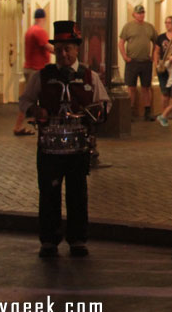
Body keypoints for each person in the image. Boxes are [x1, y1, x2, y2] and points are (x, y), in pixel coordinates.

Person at [18, 21, 110, 258]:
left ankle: (78, 239)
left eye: (68, 48)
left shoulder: (90, 77)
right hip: (49, 148)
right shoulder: (43, 76)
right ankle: (48, 240)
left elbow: (104, 103)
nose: (64, 54)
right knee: (49, 194)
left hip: (78, 147)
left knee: (78, 193)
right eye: (59, 49)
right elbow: (25, 100)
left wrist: (97, 114)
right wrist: (35, 112)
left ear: (77, 49)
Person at [13, 8, 54, 136]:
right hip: (36, 68)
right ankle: (18, 126)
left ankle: (34, 122)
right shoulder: (39, 32)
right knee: (30, 98)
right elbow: (48, 47)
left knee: (31, 97)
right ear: (43, 19)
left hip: (29, 66)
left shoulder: (29, 31)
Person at [118, 5, 157, 122]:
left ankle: (147, 112)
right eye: (139, 13)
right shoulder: (128, 27)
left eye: (143, 13)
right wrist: (125, 56)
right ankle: (130, 112)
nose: (141, 15)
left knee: (146, 87)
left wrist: (153, 56)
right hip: (132, 62)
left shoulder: (149, 27)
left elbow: (156, 42)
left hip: (145, 62)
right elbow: (121, 42)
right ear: (134, 14)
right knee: (131, 87)